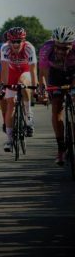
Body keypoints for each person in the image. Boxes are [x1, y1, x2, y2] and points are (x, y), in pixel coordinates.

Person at [38, 26, 75, 165]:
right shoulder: (46, 49)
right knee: (56, 106)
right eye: (58, 47)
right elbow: (43, 73)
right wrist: (45, 90)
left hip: (72, 73)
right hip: (55, 74)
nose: (60, 51)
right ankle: (61, 148)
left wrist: (72, 87)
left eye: (65, 48)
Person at [0, 27, 38, 152]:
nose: (15, 44)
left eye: (18, 41)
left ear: (23, 41)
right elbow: (4, 69)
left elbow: (33, 70)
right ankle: (9, 140)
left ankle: (28, 116)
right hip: (12, 73)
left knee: (23, 83)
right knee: (10, 104)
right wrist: (4, 86)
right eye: (13, 41)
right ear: (8, 41)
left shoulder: (29, 48)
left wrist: (35, 87)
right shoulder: (5, 48)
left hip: (25, 71)